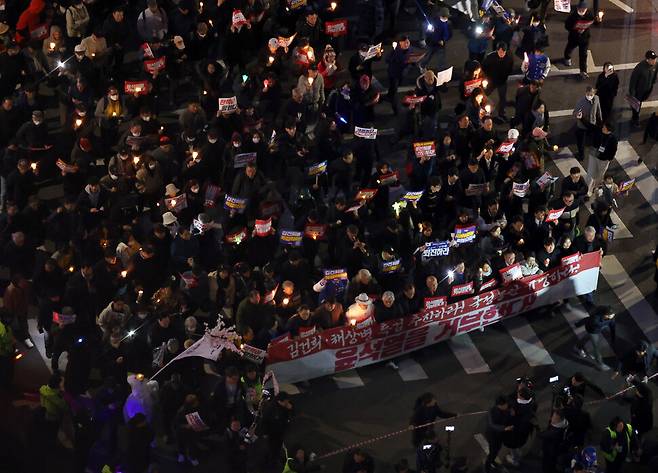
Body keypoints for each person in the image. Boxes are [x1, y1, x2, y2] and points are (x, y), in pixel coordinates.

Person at [574, 305, 616, 370]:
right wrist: (608, 321)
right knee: (596, 347)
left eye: (613, 314)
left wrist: (613, 337)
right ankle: (600, 364)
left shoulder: (611, 318)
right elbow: (596, 323)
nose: (613, 316)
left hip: (596, 328)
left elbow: (612, 326)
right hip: (592, 330)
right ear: (606, 315)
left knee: (586, 337)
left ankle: (578, 347)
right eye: (611, 315)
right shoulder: (595, 319)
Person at [482, 42, 514, 122]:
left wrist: (505, 76)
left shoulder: (509, 57)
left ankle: (501, 114)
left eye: (503, 52)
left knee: (502, 98)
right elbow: (484, 67)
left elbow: (510, 68)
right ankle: (482, 109)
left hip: (502, 81)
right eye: (500, 52)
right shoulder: (490, 57)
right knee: (484, 94)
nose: (502, 54)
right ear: (497, 51)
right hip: (491, 80)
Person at [563, 2, 595, 79]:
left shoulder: (589, 14)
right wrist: (575, 29)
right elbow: (567, 26)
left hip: (584, 38)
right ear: (578, 9)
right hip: (574, 37)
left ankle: (583, 71)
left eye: (584, 9)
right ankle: (567, 57)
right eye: (581, 9)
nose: (583, 10)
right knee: (570, 47)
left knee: (583, 54)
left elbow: (592, 22)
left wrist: (597, 20)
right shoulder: (573, 16)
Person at [484, 395, 514, 472]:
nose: (507, 406)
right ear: (500, 405)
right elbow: (492, 425)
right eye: (505, 405)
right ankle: (487, 466)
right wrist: (504, 428)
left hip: (501, 435)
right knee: (493, 451)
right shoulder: (492, 411)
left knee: (497, 449)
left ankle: (492, 461)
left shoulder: (506, 409)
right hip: (493, 435)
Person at [628, 50, 658, 127]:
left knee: (640, 102)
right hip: (638, 92)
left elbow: (655, 74)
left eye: (655, 58)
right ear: (647, 59)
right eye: (653, 59)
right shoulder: (639, 68)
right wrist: (633, 95)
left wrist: (653, 82)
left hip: (647, 90)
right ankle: (635, 119)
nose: (655, 60)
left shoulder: (655, 65)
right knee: (636, 107)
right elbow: (633, 82)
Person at [572, 86, 602, 162]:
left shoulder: (597, 98)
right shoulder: (580, 102)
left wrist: (600, 121)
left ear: (594, 93)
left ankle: (596, 151)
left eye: (591, 94)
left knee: (596, 139)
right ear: (585, 93)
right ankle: (581, 155)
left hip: (592, 124)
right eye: (588, 94)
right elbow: (575, 113)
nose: (589, 96)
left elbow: (598, 110)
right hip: (582, 125)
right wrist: (577, 115)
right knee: (581, 142)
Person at [587, 122, 617, 195]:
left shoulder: (613, 139)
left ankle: (596, 187)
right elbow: (590, 126)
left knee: (600, 174)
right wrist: (582, 118)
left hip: (604, 159)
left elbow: (613, 151)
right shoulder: (599, 131)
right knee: (591, 173)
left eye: (604, 128)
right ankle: (588, 189)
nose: (602, 128)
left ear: (608, 130)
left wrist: (609, 159)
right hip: (594, 155)